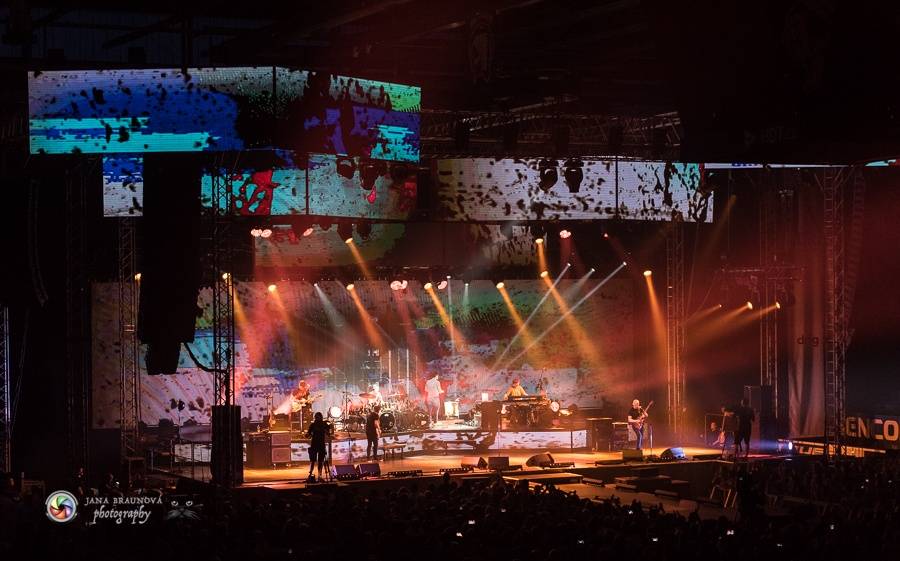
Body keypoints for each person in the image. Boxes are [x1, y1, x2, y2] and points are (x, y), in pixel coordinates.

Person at [306, 412, 332, 481]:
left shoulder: (324, 424)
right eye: (316, 417)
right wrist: (308, 434)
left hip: (321, 444)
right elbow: (308, 435)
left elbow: (329, 433)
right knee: (313, 461)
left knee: (320, 461)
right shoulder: (313, 425)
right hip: (314, 444)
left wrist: (327, 430)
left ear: (321, 417)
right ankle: (310, 474)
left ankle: (320, 475)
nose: (317, 418)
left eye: (318, 417)